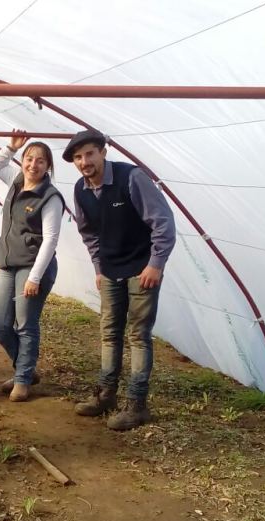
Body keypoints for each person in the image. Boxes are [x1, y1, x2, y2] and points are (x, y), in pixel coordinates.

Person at [65, 129, 176, 430]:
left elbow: (162, 222)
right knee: (109, 332)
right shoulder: (81, 189)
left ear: (103, 151)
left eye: (89, 153)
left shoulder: (131, 178)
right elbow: (89, 233)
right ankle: (106, 395)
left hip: (141, 270)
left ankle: (137, 404)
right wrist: (99, 268)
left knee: (138, 335)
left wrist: (156, 264)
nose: (84, 161)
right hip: (111, 271)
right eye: (77, 157)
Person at [0, 130, 64, 402]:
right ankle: (25, 368)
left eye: (40, 161)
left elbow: (51, 240)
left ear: (48, 166)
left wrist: (34, 278)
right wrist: (11, 147)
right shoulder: (16, 182)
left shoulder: (50, 197)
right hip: (8, 264)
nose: (33, 165)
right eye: (29, 159)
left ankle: (22, 379)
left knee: (25, 324)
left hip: (33, 267)